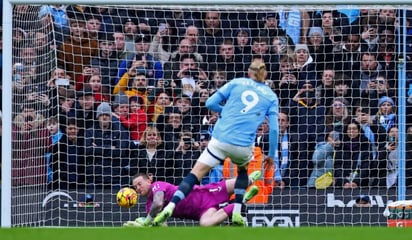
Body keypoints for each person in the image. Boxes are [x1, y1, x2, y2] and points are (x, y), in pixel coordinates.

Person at [153, 60, 279, 226]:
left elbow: (210, 103)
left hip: (221, 139)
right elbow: (275, 129)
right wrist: (270, 155)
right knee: (242, 172)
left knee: (195, 174)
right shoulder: (271, 96)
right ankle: (237, 211)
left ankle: (171, 205)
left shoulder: (236, 82)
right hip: (243, 145)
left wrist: (225, 112)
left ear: (249, 72)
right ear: (266, 74)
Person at [124, 171, 261, 227]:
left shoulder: (157, 186)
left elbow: (158, 203)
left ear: (149, 180)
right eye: (135, 187)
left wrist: (146, 221)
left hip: (205, 193)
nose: (137, 188)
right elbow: (163, 225)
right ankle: (240, 202)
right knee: (205, 224)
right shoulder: (149, 207)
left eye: (140, 184)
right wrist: (146, 227)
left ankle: (251, 179)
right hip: (201, 212)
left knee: (238, 183)